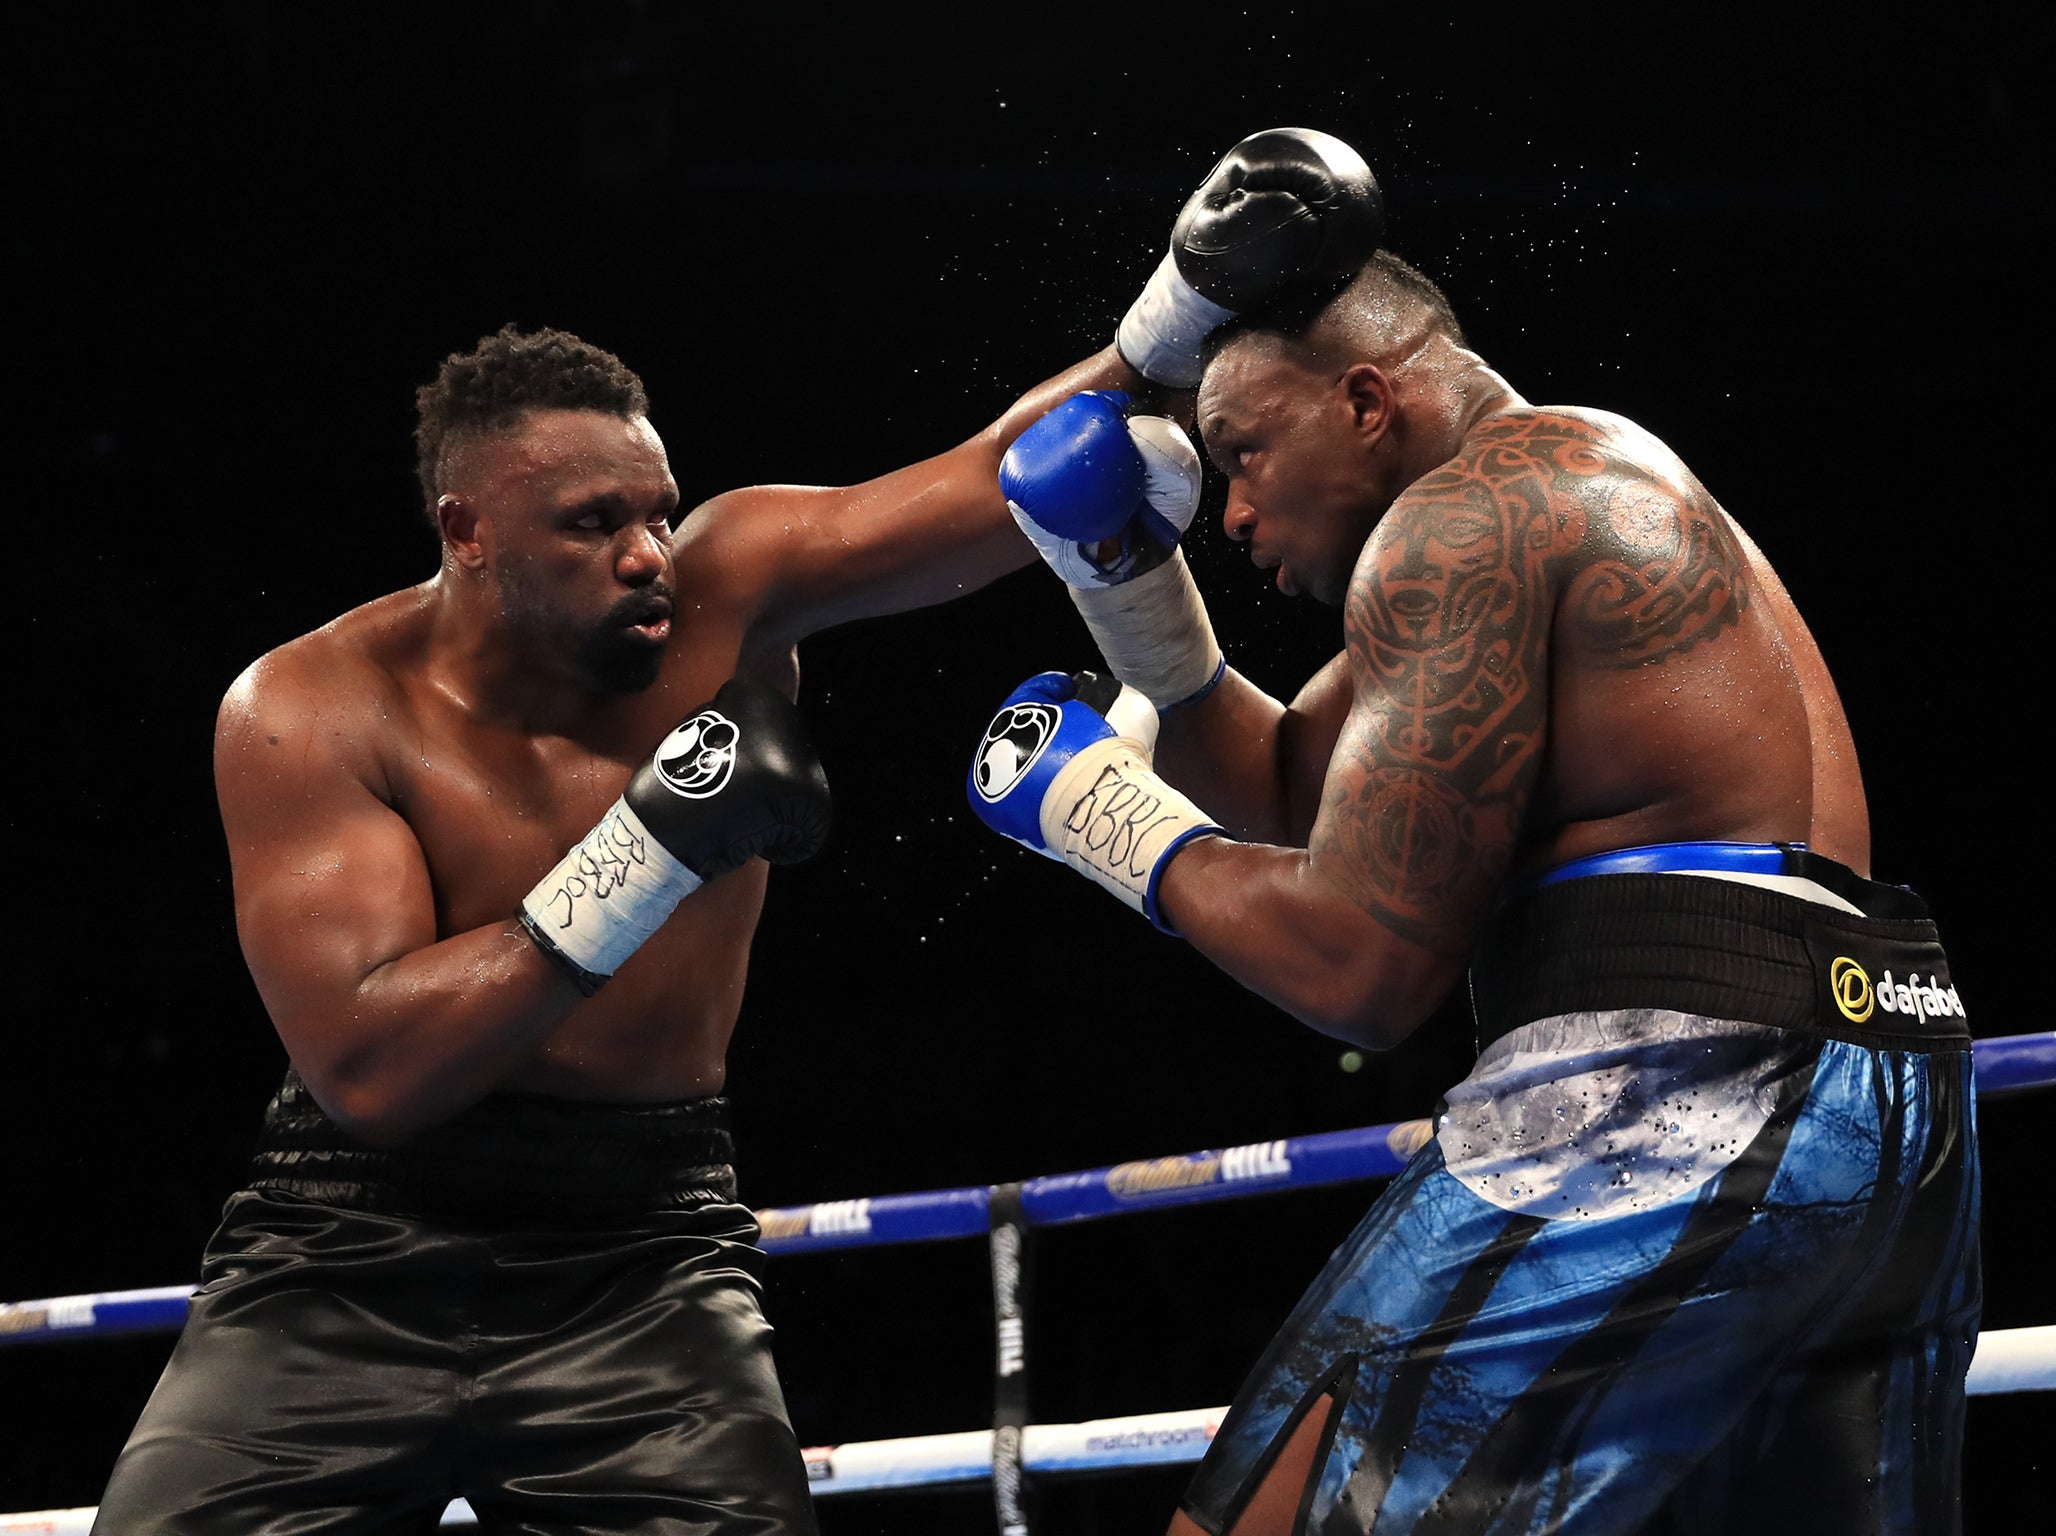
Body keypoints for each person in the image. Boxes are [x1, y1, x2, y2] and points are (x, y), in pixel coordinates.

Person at [88, 127, 1383, 1531]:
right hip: (347, 1247)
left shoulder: (731, 590)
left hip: (642, 1249)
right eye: (593, 525)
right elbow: (374, 1071)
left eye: (654, 510)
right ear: (466, 533)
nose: (650, 551)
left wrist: (1178, 309)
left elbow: (1004, 478)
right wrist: (651, 848)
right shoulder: (311, 708)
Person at [971, 146, 1981, 1531]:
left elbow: (1356, 969)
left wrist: (1102, 814)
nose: (1240, 510)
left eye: (1247, 453)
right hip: (1892, 1094)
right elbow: (1281, 782)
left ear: (1369, 398)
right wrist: (1126, 577)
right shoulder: (1569, 486)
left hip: (1678, 1086)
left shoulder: (1460, 528)